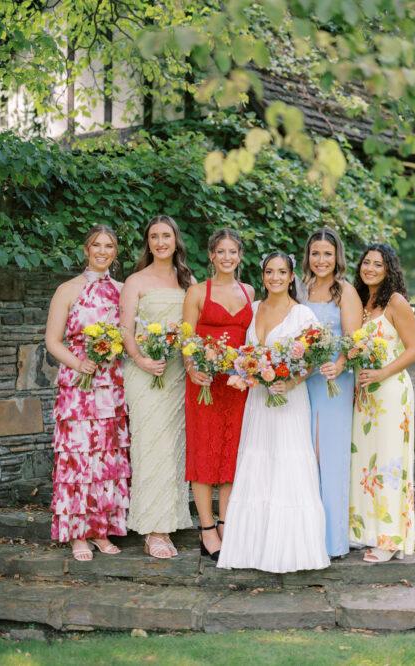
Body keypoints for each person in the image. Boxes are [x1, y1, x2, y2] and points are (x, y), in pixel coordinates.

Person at [218, 252, 330, 573]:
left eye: (282, 272)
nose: (276, 278)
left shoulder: (303, 314)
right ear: (263, 276)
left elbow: (311, 361)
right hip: (258, 402)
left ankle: (290, 551)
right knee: (258, 461)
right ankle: (252, 549)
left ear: (292, 276)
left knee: (288, 463)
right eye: (270, 272)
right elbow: (245, 354)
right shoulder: (253, 310)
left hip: (289, 401)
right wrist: (246, 373)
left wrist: (291, 382)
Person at [46, 225, 130, 561]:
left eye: (109, 246)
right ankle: (78, 533)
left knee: (107, 458)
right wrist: (79, 363)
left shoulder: (123, 291)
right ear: (86, 249)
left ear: (115, 252)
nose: (103, 251)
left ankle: (101, 530)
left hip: (111, 384)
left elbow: (129, 336)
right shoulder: (67, 289)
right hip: (78, 385)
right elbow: (52, 340)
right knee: (79, 458)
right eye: (97, 245)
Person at [120, 215, 193, 558]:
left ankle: (170, 520)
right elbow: (125, 331)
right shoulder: (135, 281)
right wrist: (143, 360)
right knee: (151, 443)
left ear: (176, 241)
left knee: (173, 446)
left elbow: (194, 328)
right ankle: (153, 530)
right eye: (154, 237)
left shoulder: (187, 280)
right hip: (145, 371)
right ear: (147, 242)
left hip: (177, 371)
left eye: (166, 236)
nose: (160, 242)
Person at [183, 228, 254, 561]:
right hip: (205, 384)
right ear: (211, 255)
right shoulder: (198, 292)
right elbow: (186, 338)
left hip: (236, 387)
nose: (227, 258)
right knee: (204, 453)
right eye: (221, 252)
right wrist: (191, 367)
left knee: (230, 453)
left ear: (240, 256)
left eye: (233, 252)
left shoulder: (250, 291)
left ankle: (226, 522)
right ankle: (207, 529)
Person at [349, 243, 415, 562]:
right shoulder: (360, 301)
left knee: (388, 464)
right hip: (365, 393)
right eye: (367, 263)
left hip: (391, 392)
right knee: (365, 463)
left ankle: (389, 539)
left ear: (389, 268)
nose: (371, 269)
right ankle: (365, 531)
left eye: (378, 264)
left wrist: (380, 373)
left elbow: (413, 350)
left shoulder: (396, 301)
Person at [302, 228, 363, 557]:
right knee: (305, 454)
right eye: (315, 254)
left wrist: (339, 365)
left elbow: (353, 339)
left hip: (333, 381)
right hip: (303, 381)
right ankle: (307, 536)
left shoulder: (346, 291)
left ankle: (333, 542)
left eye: (327, 254)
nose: (321, 260)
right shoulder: (302, 288)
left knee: (331, 456)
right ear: (308, 257)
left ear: (336, 256)